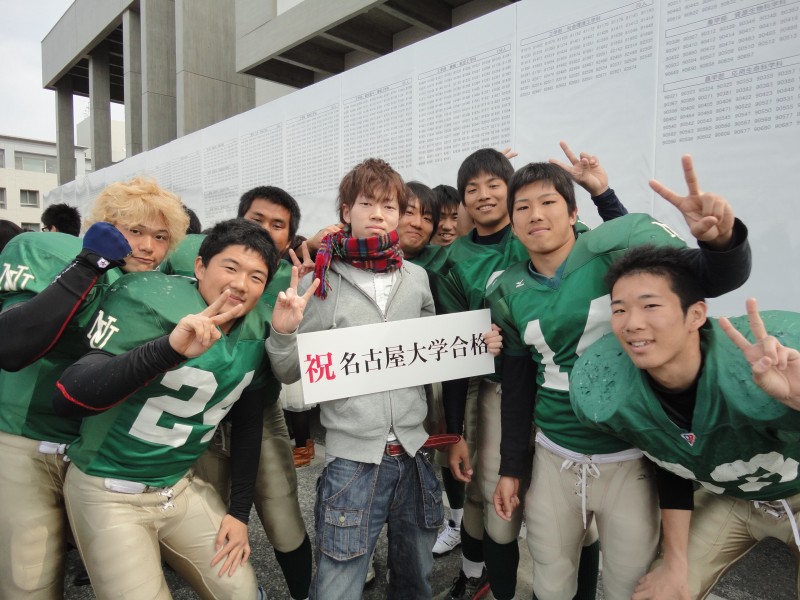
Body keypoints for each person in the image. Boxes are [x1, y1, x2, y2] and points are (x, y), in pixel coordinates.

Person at [487, 154, 751, 600]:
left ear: (574, 211)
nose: (535, 215)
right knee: (551, 584)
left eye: (548, 202)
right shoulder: (505, 289)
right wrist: (512, 467)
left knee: (629, 587)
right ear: (512, 223)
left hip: (632, 454)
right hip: (554, 453)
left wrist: (721, 241)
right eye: (523, 207)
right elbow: (517, 385)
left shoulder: (614, 254)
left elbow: (709, 277)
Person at [267, 158, 477, 600]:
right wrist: (284, 332)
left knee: (416, 580)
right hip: (352, 461)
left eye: (389, 205)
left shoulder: (417, 278)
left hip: (415, 455)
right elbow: (288, 370)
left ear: (399, 214)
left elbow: (433, 358)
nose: (378, 213)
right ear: (347, 211)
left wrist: (477, 344)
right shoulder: (320, 280)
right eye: (367, 203)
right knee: (338, 585)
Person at [52, 218, 279, 599]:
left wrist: (239, 513)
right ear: (200, 266)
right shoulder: (149, 298)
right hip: (107, 488)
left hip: (177, 484)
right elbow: (68, 396)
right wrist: (167, 350)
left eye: (256, 277)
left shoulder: (257, 326)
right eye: (230, 267)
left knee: (241, 591)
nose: (241, 284)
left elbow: (247, 424)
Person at [439, 143, 627, 600]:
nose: (484, 195)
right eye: (472, 188)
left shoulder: (547, 229)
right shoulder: (454, 260)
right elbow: (454, 350)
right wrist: (454, 431)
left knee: (578, 509)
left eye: (495, 185)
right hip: (501, 390)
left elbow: (624, 245)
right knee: (498, 498)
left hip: (564, 389)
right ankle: (489, 583)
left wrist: (602, 193)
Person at [571, 246, 800, 600]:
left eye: (650, 305)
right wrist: (675, 564)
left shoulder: (769, 365)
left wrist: (796, 400)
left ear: (695, 315)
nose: (632, 323)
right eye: (619, 310)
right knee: (663, 592)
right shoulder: (613, 390)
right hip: (729, 498)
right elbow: (672, 464)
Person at [0, 177, 187, 600]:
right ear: (104, 227)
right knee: (28, 579)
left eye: (160, 237)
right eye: (134, 231)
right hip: (26, 436)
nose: (147, 246)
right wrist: (89, 264)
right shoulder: (63, 260)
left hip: (89, 451)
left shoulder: (149, 286)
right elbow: (10, 346)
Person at [162, 185, 315, 600]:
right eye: (256, 219)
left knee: (283, 515)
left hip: (260, 411)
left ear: (289, 239)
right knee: (212, 521)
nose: (264, 229)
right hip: (199, 414)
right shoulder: (195, 272)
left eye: (278, 225)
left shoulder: (294, 281)